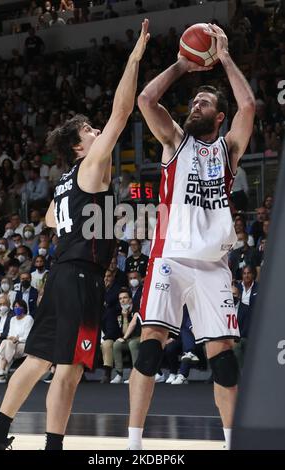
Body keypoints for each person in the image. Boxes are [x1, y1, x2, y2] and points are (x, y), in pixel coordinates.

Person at [0, 19, 150, 451]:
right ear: (81, 148)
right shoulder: (91, 167)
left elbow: (46, 224)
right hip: (80, 275)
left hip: (60, 274)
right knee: (71, 366)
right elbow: (121, 112)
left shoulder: (64, 182)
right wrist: (134, 58)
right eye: (91, 133)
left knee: (36, 358)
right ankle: (54, 445)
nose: (100, 134)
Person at [127, 23, 255, 450]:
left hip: (214, 265)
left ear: (219, 117)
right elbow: (145, 99)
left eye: (205, 101)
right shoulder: (174, 141)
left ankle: (231, 442)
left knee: (225, 364)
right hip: (171, 257)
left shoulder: (227, 149)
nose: (196, 102)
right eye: (195, 99)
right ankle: (134, 445)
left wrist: (225, 57)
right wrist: (184, 65)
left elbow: (249, 105)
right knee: (149, 351)